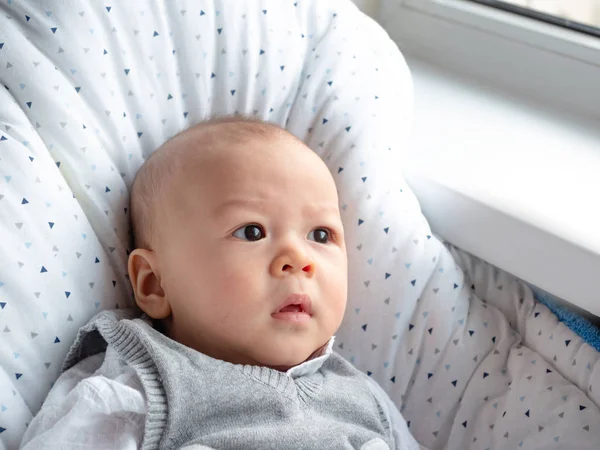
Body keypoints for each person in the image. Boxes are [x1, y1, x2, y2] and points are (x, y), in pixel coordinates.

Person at [20, 117, 423, 450]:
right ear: (155, 284)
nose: (299, 260)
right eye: (251, 232)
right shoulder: (137, 388)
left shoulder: (364, 398)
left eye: (319, 236)